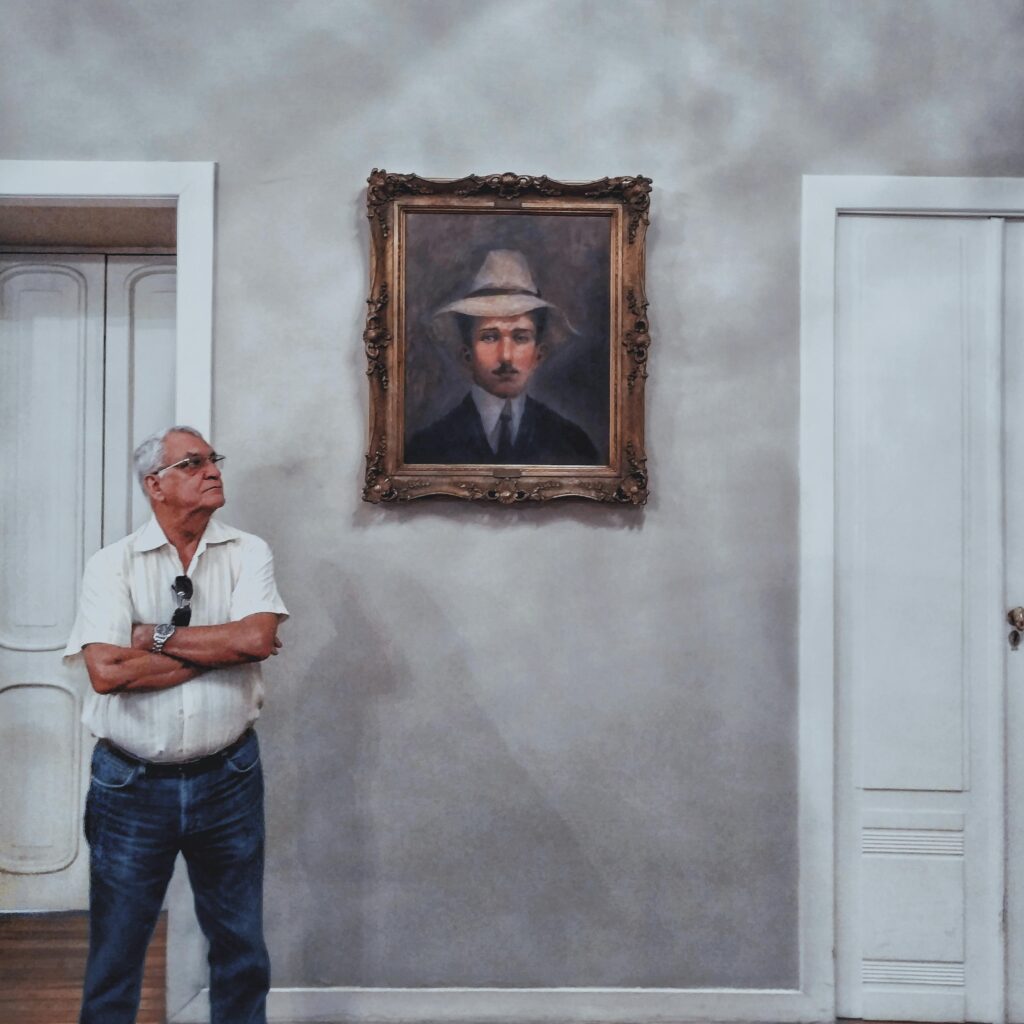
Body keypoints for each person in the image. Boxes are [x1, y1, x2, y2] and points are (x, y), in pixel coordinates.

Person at [63, 425, 288, 1024]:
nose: (212, 470)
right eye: (193, 463)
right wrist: (222, 650)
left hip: (229, 778)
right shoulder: (112, 565)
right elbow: (107, 671)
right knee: (117, 952)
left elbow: (257, 638)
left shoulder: (249, 552)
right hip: (130, 786)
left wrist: (155, 639)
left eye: (214, 459)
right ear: (154, 486)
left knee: (241, 949)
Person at [405, 249, 600, 465]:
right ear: (466, 355)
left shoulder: (573, 443)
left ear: (539, 355)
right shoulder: (427, 447)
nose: (506, 356)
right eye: (489, 337)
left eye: (520, 337)